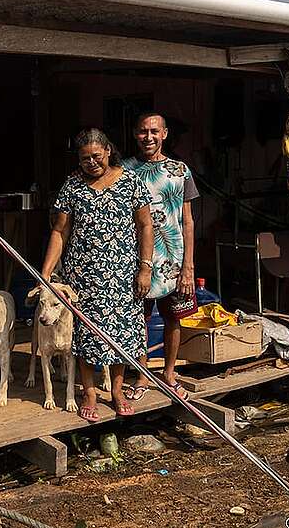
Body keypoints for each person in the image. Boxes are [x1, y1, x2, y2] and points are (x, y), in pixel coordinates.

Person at [40, 127, 154, 421]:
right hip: (82, 276)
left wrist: (145, 267)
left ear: (108, 151)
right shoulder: (72, 186)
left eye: (96, 156)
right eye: (84, 158)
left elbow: (145, 227)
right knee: (84, 335)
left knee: (121, 333)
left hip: (122, 275)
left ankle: (116, 390)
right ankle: (90, 391)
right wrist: (46, 272)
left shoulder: (131, 182)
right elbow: (59, 231)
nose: (91, 163)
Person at [122, 112, 199, 401]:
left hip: (173, 259)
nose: (149, 137)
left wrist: (188, 265)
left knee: (173, 318)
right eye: (143, 131)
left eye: (154, 131)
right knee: (137, 319)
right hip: (135, 259)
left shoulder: (180, 171)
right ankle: (141, 374)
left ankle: (168, 374)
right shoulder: (124, 170)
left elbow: (187, 221)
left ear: (165, 134)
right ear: (135, 134)